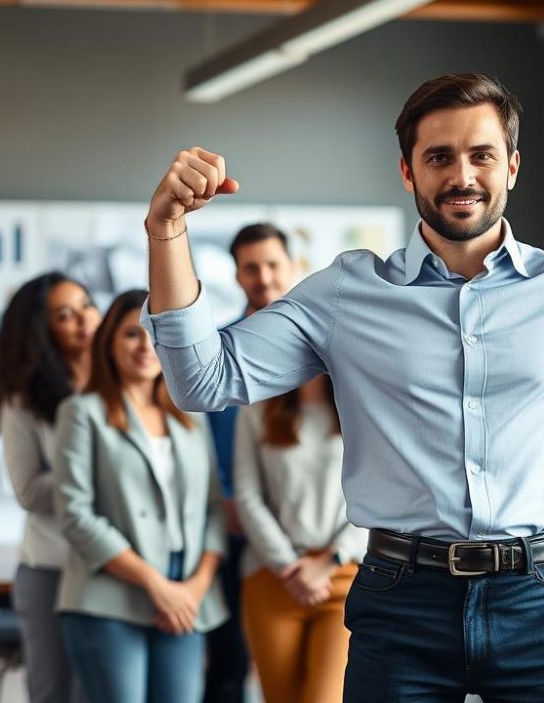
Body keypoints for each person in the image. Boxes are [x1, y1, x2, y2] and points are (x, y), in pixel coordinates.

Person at [140, 72, 544, 700]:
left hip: (542, 600)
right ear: (408, 171)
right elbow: (203, 380)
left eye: (482, 155)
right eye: (439, 157)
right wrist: (167, 233)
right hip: (401, 601)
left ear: (513, 165)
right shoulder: (349, 294)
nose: (462, 176)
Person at [54, 289, 228, 703]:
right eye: (131, 334)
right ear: (108, 342)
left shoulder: (190, 415)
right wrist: (155, 583)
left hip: (187, 595)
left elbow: (214, 511)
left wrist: (196, 587)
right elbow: (76, 515)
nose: (146, 346)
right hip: (109, 596)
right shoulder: (82, 412)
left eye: (153, 334)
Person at [234, 332, 366, 702]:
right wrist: (288, 565)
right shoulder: (256, 409)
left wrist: (331, 560)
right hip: (273, 576)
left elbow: (382, 494)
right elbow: (247, 495)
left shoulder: (359, 406)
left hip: (343, 577)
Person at [0, 272, 99, 703]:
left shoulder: (126, 386)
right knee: (54, 693)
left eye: (87, 305)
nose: (84, 320)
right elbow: (28, 491)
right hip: (51, 569)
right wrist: (98, 473)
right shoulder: (24, 401)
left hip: (117, 569)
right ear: (42, 330)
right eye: (65, 315)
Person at [199, 224, 288, 703]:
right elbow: (203, 444)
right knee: (229, 661)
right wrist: (227, 499)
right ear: (237, 275)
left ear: (290, 266)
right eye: (252, 267)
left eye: (272, 264)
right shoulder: (219, 351)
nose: (264, 276)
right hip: (236, 528)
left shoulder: (321, 350)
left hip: (307, 532)